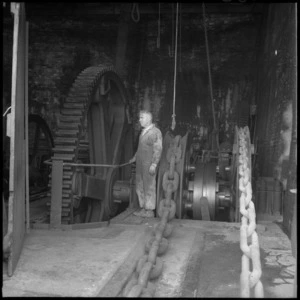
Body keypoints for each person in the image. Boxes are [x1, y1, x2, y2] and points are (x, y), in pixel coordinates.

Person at [129, 110, 163, 218]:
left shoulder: (155, 132)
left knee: (149, 187)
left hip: (148, 165)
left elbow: (158, 149)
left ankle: (149, 210)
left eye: (141, 118)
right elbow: (140, 148)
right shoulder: (143, 132)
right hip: (140, 164)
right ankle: (143, 208)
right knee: (140, 186)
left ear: (148, 119)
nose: (139, 120)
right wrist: (134, 158)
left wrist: (154, 164)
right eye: (140, 118)